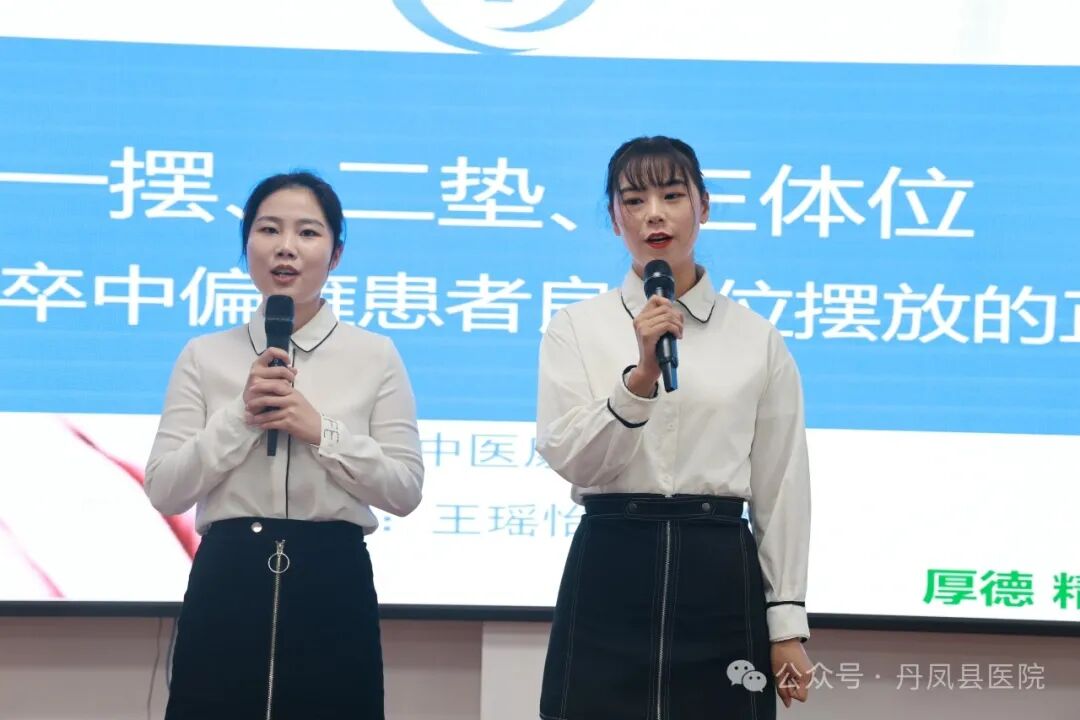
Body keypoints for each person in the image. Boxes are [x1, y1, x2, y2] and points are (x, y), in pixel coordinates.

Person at [536, 136, 813, 719]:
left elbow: (782, 483)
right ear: (615, 218)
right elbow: (570, 457)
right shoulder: (576, 327)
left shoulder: (756, 338)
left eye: (672, 195)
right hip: (612, 565)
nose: (654, 214)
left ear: (703, 206)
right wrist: (638, 380)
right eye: (634, 200)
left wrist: (786, 623)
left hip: (719, 573)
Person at [144, 171, 424, 719]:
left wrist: (323, 431)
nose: (286, 247)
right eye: (269, 229)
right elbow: (164, 489)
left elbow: (404, 489)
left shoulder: (375, 356)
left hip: (333, 577)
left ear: (336, 254)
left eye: (308, 232)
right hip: (228, 577)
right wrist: (241, 415)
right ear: (246, 246)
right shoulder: (204, 355)